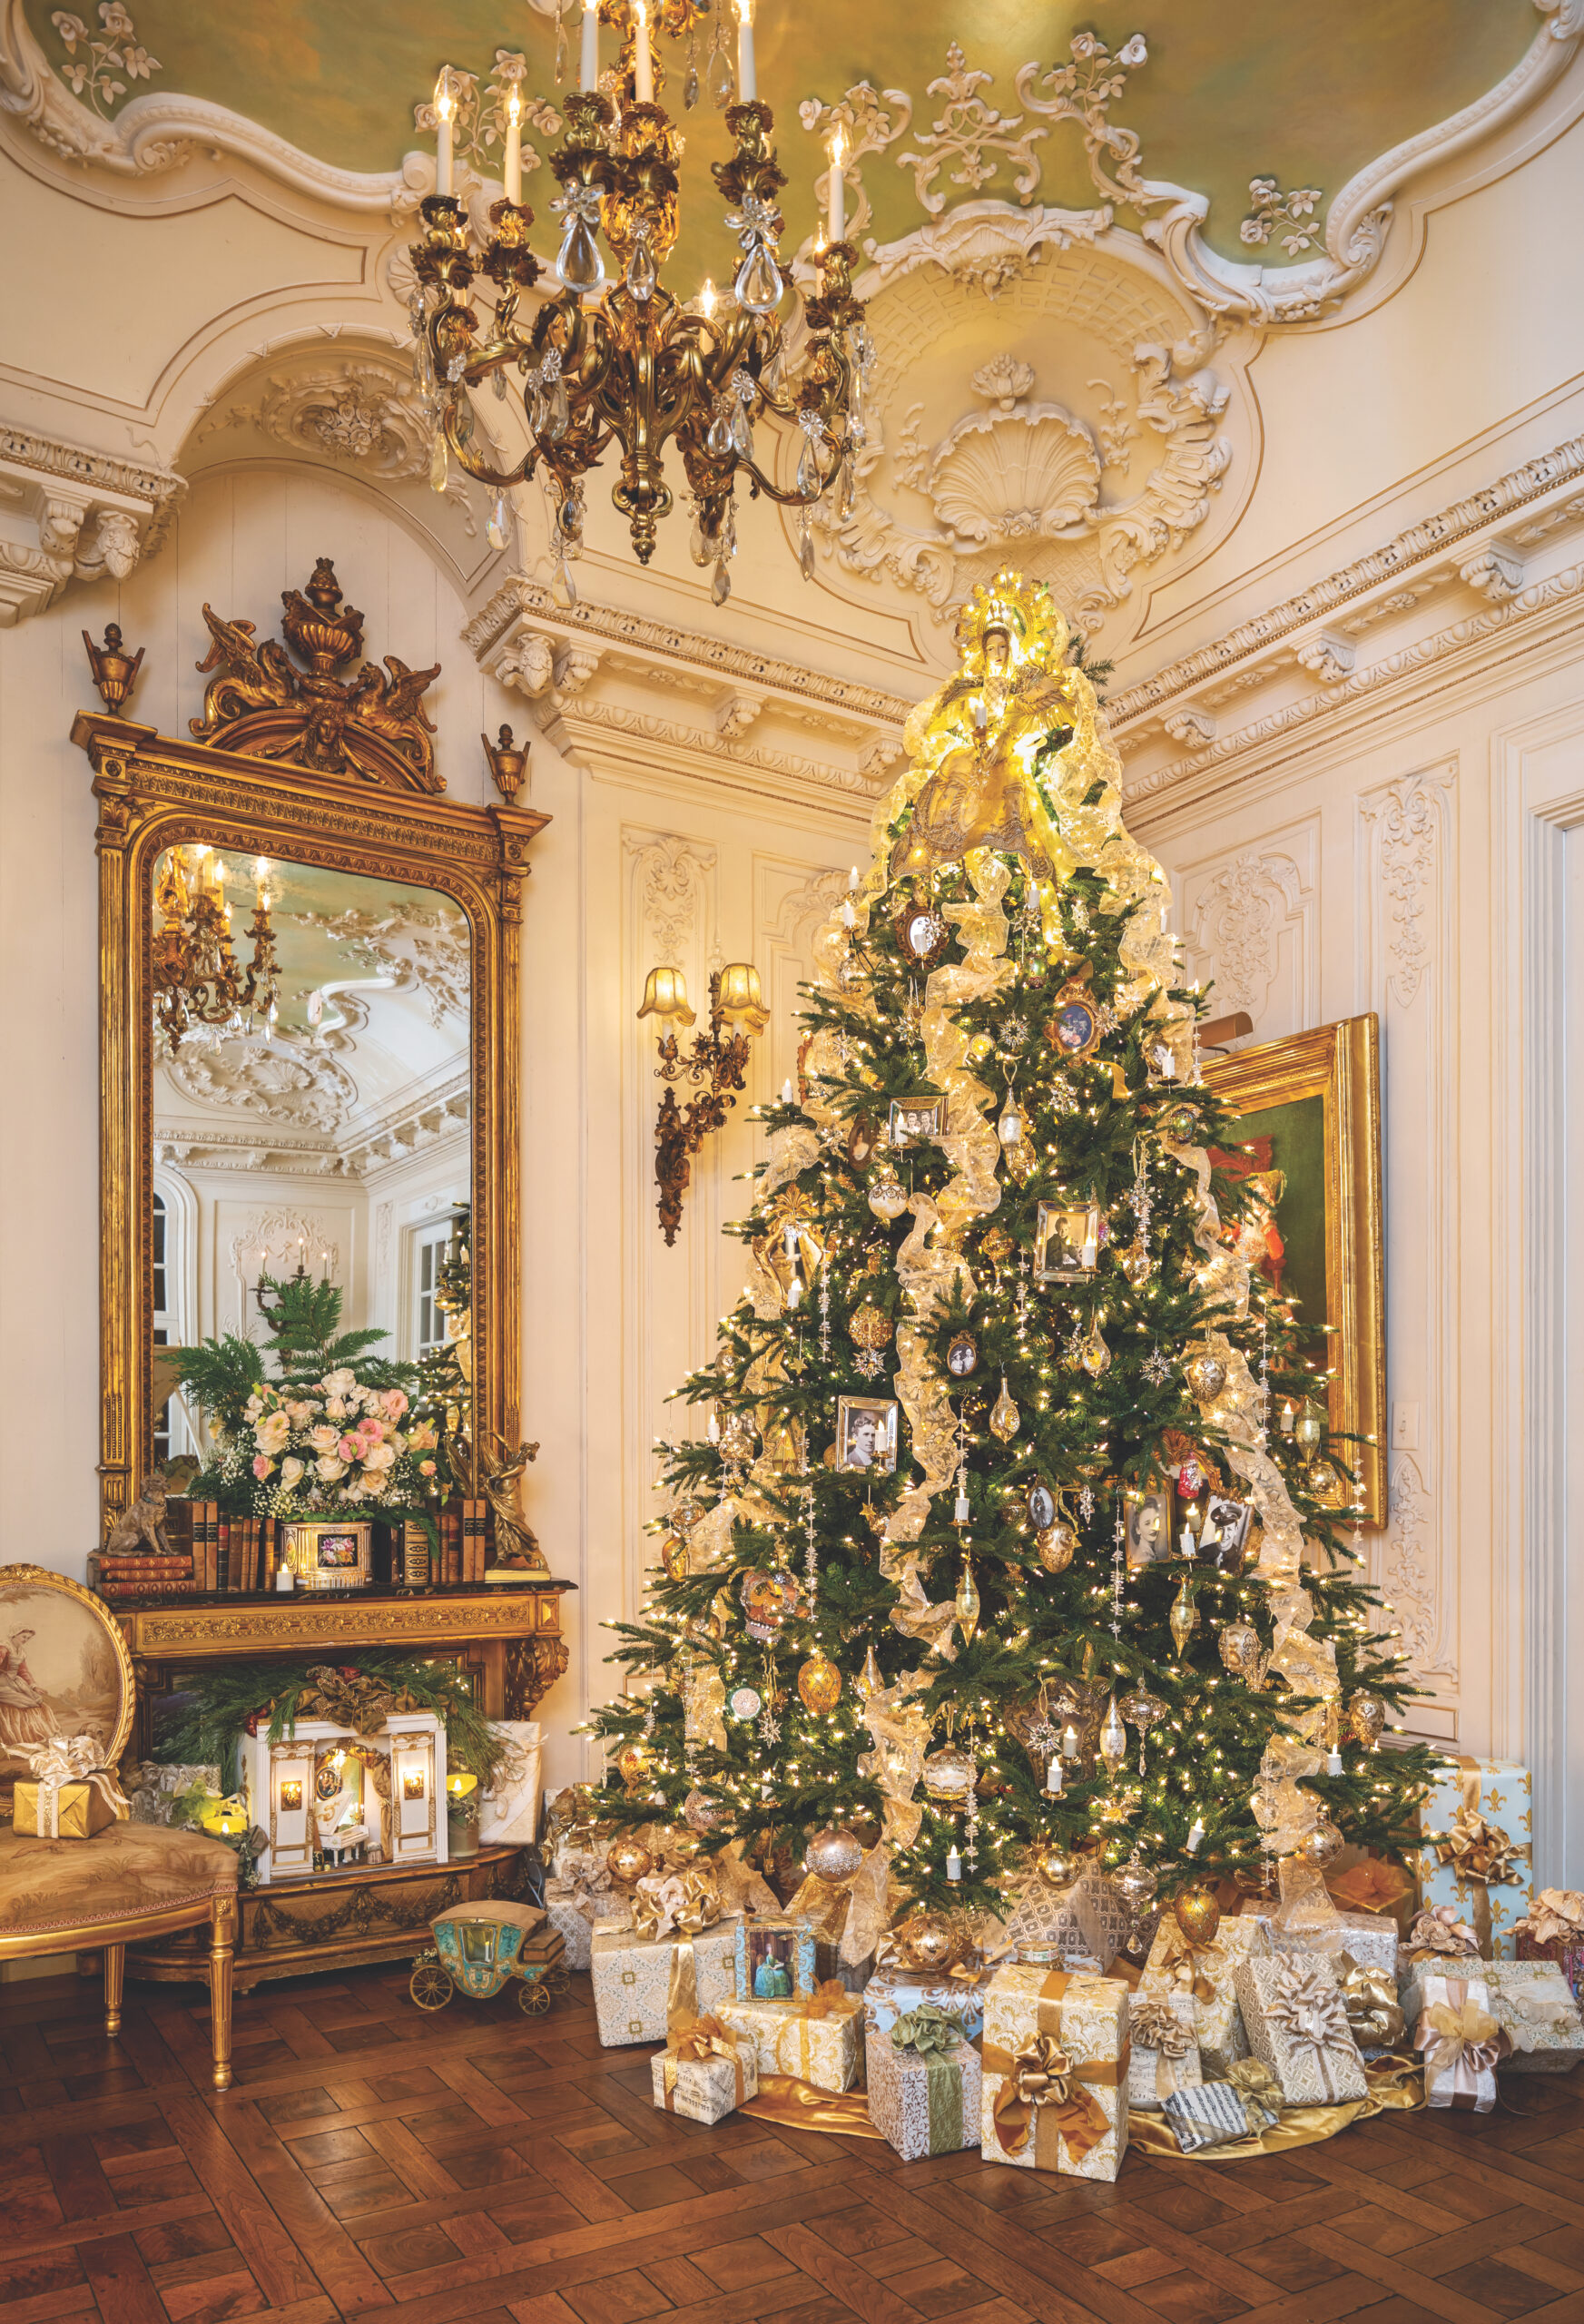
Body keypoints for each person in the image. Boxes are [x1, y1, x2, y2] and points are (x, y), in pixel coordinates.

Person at [0, 1630, 54, 1759]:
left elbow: (23, 1672)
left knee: (36, 1703)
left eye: (28, 1638)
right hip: (2, 1682)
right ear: (14, 1634)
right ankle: (12, 1742)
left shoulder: (21, 1652)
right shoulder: (4, 1648)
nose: (25, 1640)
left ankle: (30, 1739)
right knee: (22, 1703)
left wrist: (34, 1686)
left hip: (16, 1682)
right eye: (23, 1636)